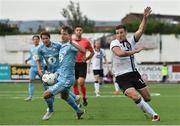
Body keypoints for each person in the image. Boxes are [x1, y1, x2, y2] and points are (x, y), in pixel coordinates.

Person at [110, 7, 160, 121]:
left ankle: (145, 108)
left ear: (126, 33)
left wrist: (145, 18)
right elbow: (120, 53)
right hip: (121, 77)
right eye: (117, 33)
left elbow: (140, 29)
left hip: (134, 74)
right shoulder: (114, 43)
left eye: (121, 32)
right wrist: (135, 51)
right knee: (135, 96)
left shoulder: (131, 40)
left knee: (147, 98)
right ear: (115, 35)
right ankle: (154, 115)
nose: (119, 35)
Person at [43, 26, 85, 119]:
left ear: (70, 35)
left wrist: (72, 43)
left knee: (46, 94)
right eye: (61, 34)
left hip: (67, 78)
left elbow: (83, 50)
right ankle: (79, 111)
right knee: (64, 96)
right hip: (62, 76)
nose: (62, 36)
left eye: (65, 34)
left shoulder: (71, 46)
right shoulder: (61, 46)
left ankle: (50, 110)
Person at [72, 26, 94, 106]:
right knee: (74, 83)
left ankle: (84, 96)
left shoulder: (86, 42)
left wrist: (87, 58)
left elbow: (92, 52)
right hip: (73, 64)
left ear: (82, 31)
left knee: (81, 82)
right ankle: (77, 100)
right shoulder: (71, 42)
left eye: (80, 30)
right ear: (75, 32)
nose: (78, 31)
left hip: (82, 64)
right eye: (77, 30)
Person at [24, 35, 45, 101]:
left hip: (40, 67)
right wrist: (27, 59)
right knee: (30, 80)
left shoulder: (41, 47)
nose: (35, 40)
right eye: (34, 39)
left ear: (39, 40)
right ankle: (30, 96)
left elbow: (45, 55)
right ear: (33, 40)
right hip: (33, 67)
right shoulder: (32, 48)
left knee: (45, 81)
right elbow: (31, 56)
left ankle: (48, 95)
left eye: (37, 39)